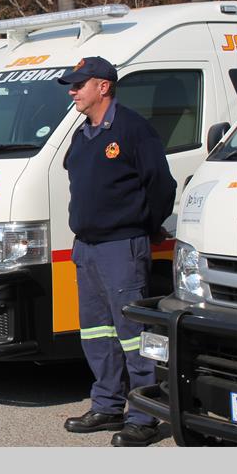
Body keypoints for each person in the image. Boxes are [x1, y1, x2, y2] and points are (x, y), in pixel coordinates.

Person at [59, 56, 177, 447]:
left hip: (121, 248)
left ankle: (144, 416)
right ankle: (107, 405)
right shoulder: (82, 134)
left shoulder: (133, 129)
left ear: (103, 86)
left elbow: (161, 186)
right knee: (96, 333)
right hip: (87, 249)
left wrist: (146, 226)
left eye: (79, 84)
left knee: (133, 335)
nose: (73, 92)